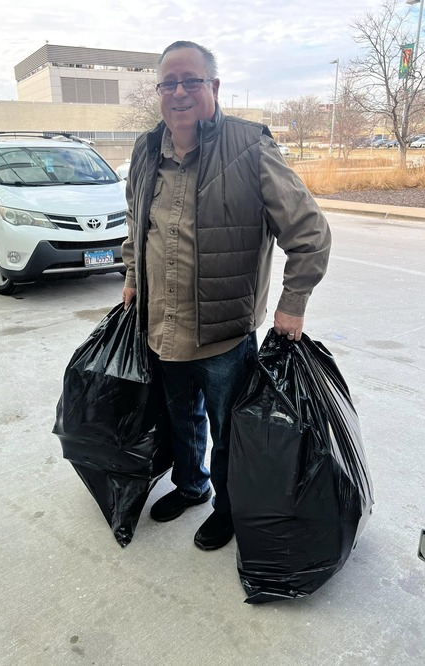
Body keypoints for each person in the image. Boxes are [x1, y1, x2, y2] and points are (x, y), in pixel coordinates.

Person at [121, 41, 331, 551]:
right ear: (159, 91)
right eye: (168, 83)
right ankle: (191, 486)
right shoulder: (146, 149)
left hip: (224, 335)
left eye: (191, 81)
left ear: (213, 87)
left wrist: (292, 304)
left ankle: (228, 507)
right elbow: (135, 221)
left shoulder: (249, 146)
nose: (179, 92)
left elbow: (310, 232)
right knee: (180, 417)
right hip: (161, 325)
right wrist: (131, 276)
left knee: (229, 428)